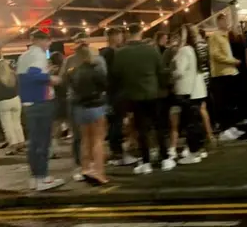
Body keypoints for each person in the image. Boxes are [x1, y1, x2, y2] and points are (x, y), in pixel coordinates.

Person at [112, 24, 175, 174]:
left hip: (133, 95)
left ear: (128, 33)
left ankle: (146, 162)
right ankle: (165, 158)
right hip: (153, 93)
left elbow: (115, 76)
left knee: (141, 129)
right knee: (159, 126)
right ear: (141, 32)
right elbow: (161, 72)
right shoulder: (151, 50)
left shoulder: (120, 53)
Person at [17, 31, 64, 191]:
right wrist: (52, 79)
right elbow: (34, 75)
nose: (49, 45)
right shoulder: (39, 55)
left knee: (34, 143)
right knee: (43, 142)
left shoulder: (24, 56)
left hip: (29, 103)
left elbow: (25, 77)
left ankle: (35, 178)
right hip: (41, 102)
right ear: (43, 40)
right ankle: (43, 178)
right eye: (49, 42)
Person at [67, 44, 109, 185]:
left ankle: (85, 168)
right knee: (98, 140)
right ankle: (99, 172)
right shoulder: (96, 71)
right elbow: (104, 85)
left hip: (80, 107)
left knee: (85, 140)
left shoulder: (72, 72)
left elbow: (71, 87)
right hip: (95, 106)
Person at [100, 27, 137, 166]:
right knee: (116, 123)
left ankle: (117, 152)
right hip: (115, 93)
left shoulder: (105, 53)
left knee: (115, 123)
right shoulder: (110, 53)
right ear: (114, 36)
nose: (122, 38)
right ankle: (118, 154)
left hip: (112, 93)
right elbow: (113, 74)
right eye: (120, 35)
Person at [172, 25, 208, 164]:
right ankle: (198, 150)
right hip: (197, 91)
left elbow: (180, 71)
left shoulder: (183, 51)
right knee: (196, 122)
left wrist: (172, 73)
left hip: (187, 91)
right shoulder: (193, 49)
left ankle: (193, 152)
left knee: (191, 124)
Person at [209, 14, 244, 141]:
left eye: (226, 20)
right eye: (224, 21)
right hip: (221, 74)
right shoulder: (215, 37)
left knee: (230, 102)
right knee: (223, 103)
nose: (226, 23)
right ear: (218, 22)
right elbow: (215, 55)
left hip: (229, 72)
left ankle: (230, 127)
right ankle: (225, 129)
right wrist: (232, 61)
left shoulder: (225, 36)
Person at [0, 59, 25, 156]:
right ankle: (21, 143)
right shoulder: (14, 75)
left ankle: (13, 145)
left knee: (7, 125)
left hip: (3, 102)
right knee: (17, 123)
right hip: (16, 100)